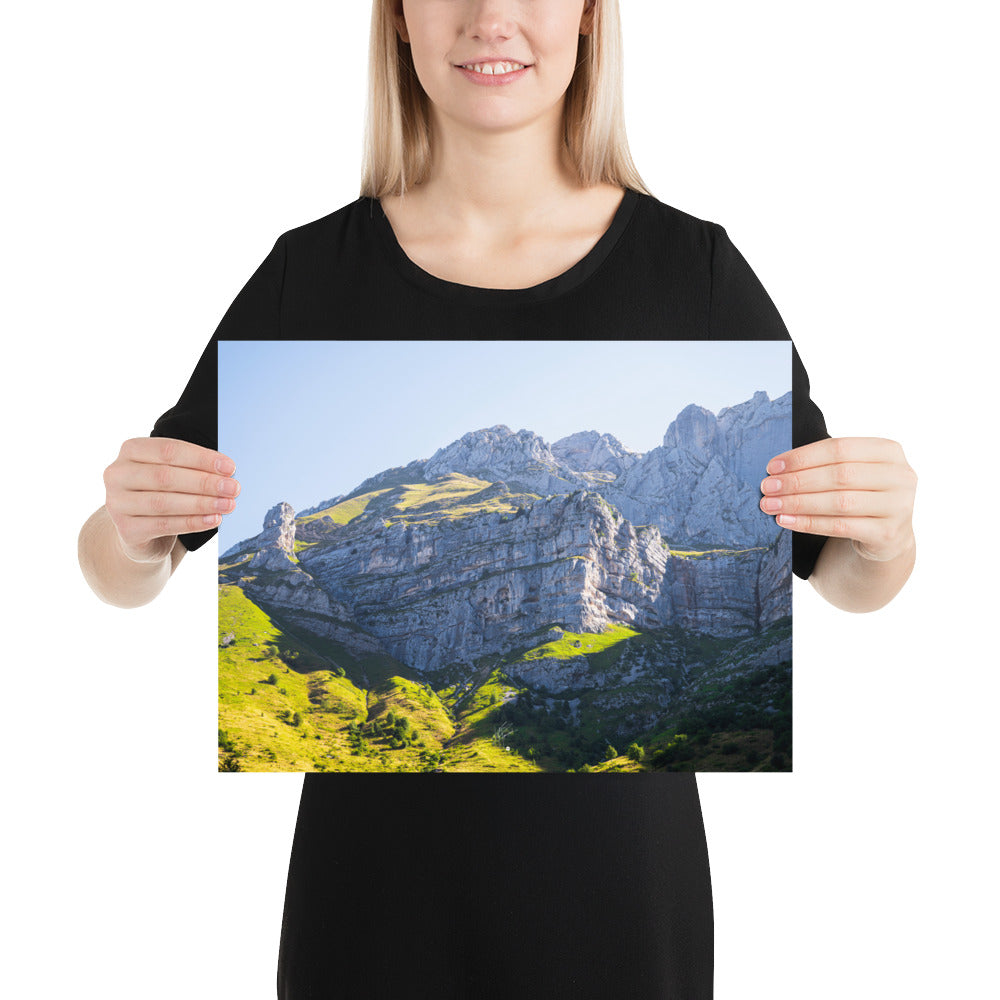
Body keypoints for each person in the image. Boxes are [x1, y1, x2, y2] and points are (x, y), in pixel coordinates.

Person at [77, 1, 917, 996]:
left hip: (621, 910)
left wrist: (885, 533)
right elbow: (120, 569)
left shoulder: (693, 272)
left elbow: (848, 580)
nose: (491, 18)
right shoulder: (310, 275)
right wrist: (129, 533)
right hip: (369, 910)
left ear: (591, 18)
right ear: (396, 19)